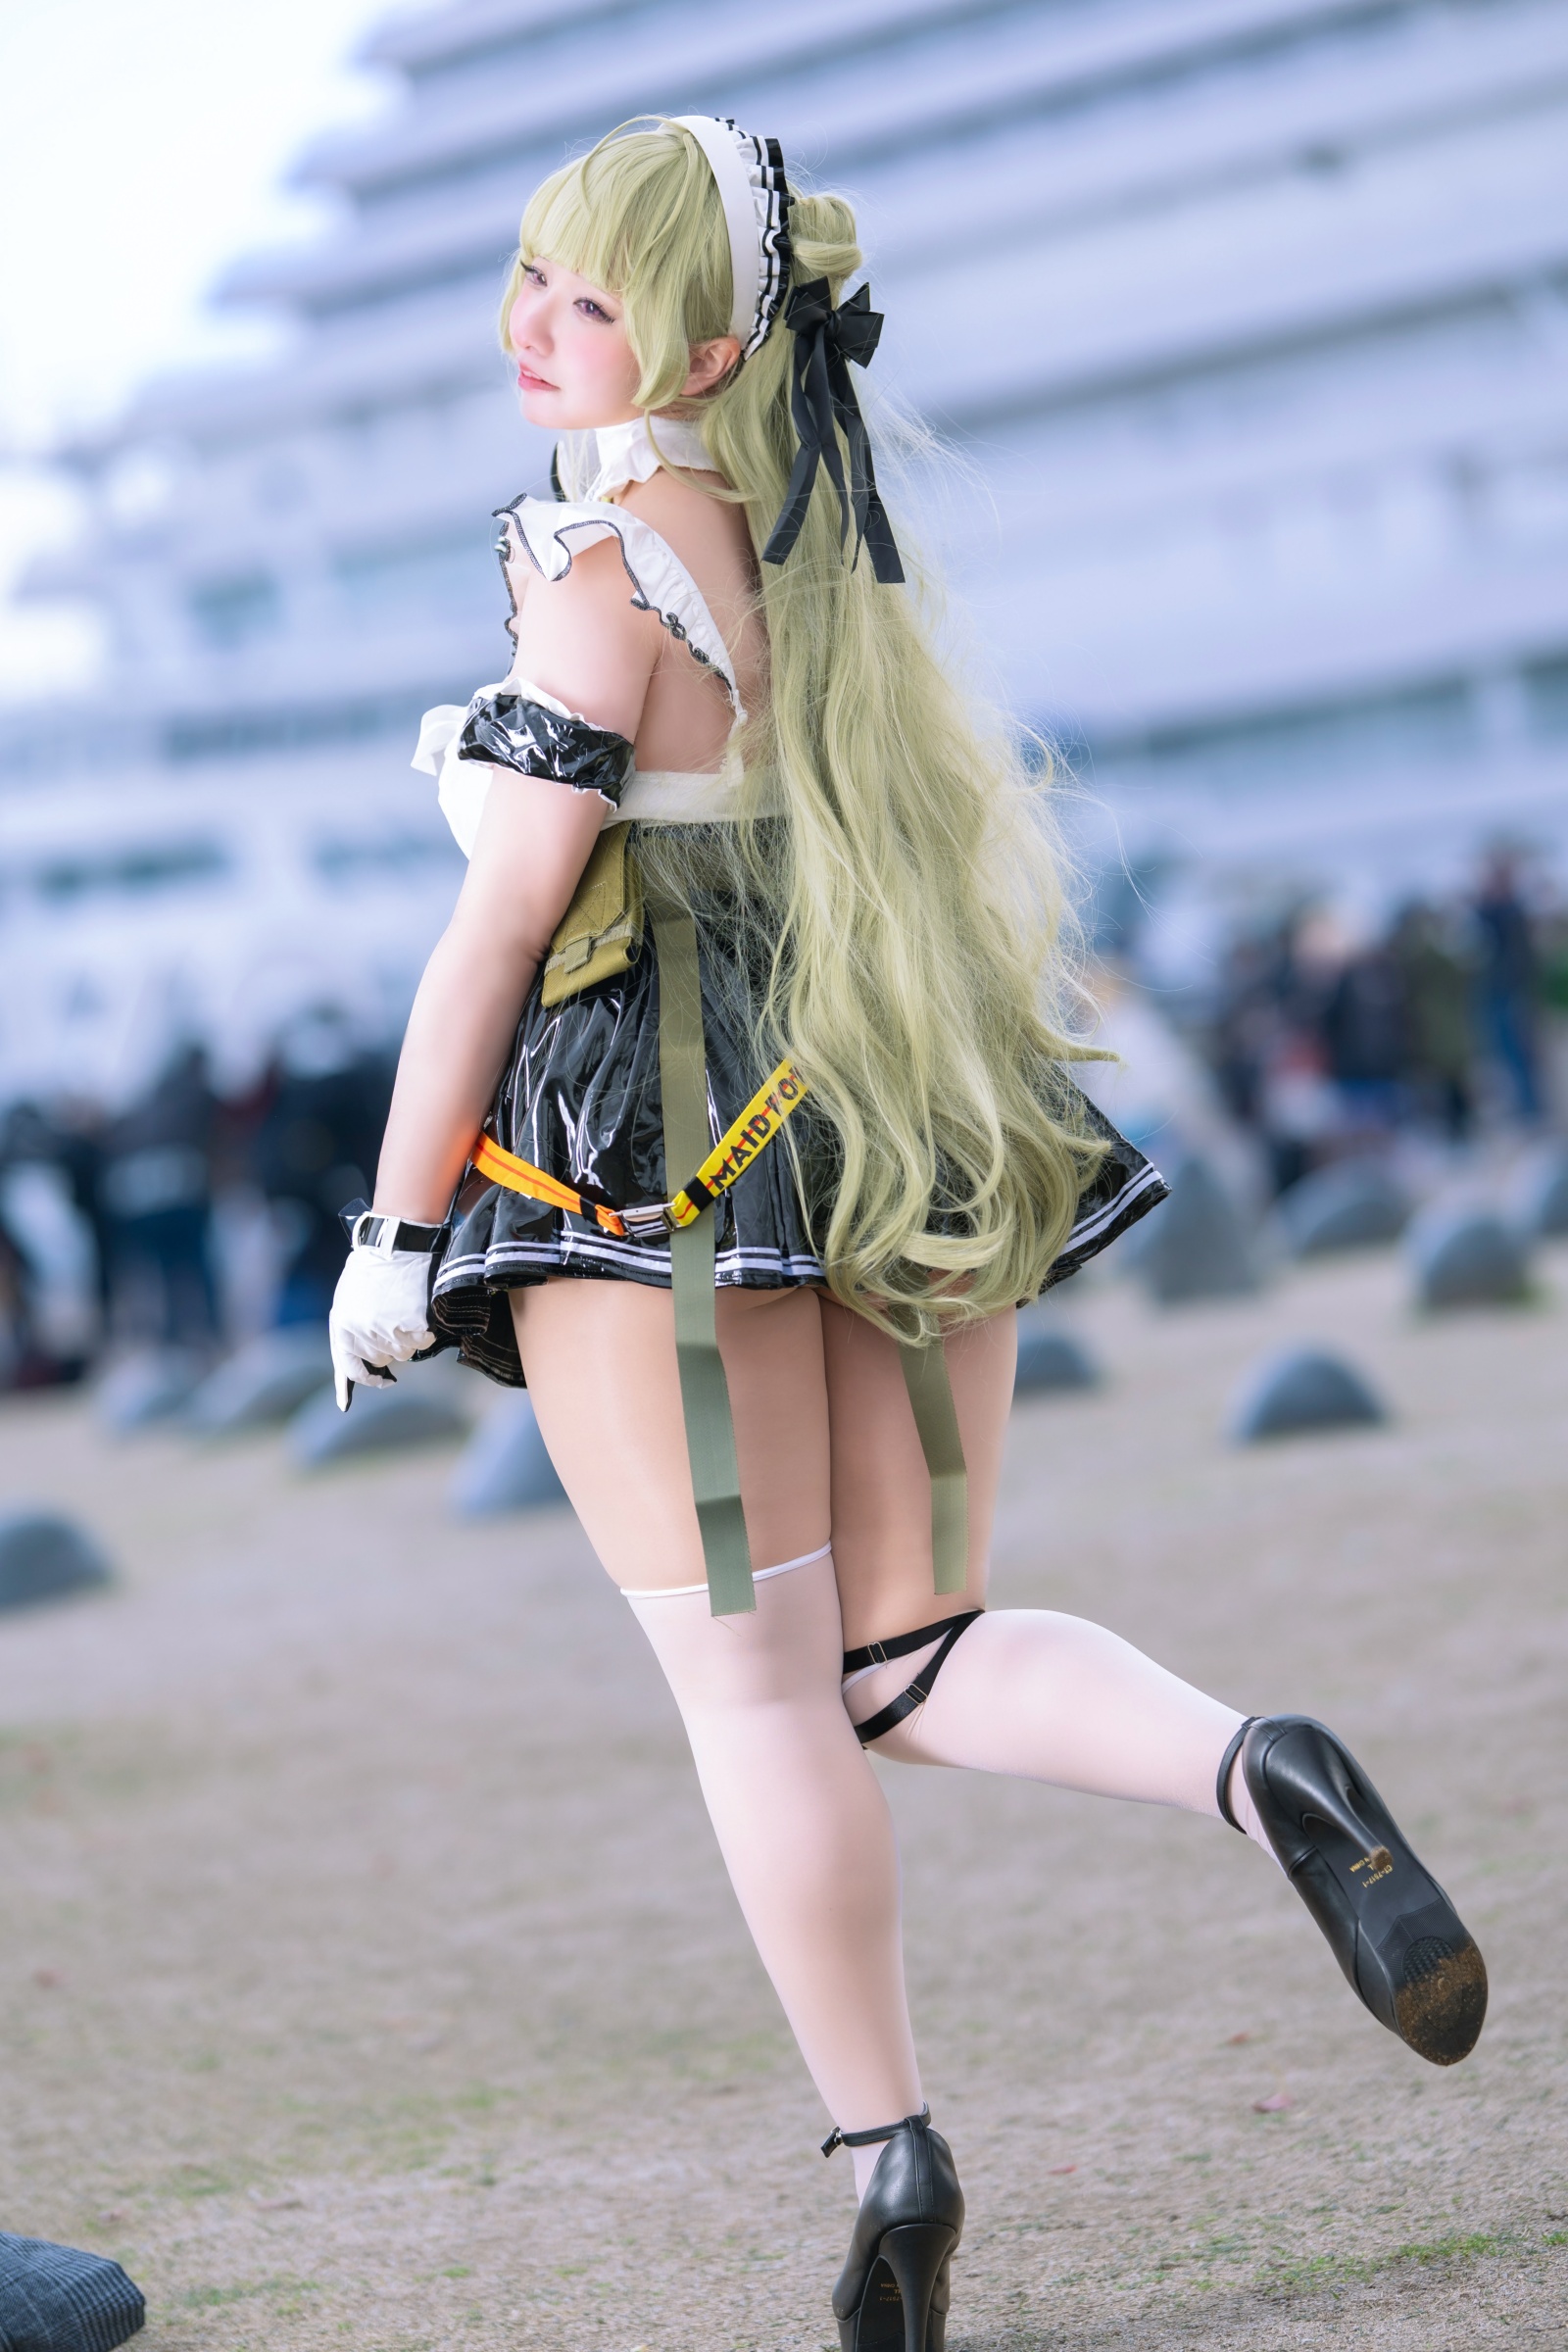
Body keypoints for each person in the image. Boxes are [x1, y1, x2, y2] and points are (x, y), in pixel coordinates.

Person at [328, 118, 1487, 2349]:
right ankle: (1260, 1769)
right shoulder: (820, 551)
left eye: (587, 297)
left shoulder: (599, 568)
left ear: (704, 344)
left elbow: (502, 928)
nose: (529, 326)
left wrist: (394, 1225)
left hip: (659, 1161)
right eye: (532, 275)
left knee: (753, 1691)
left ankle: (891, 2158)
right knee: (905, 1661)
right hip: (892, 1099)